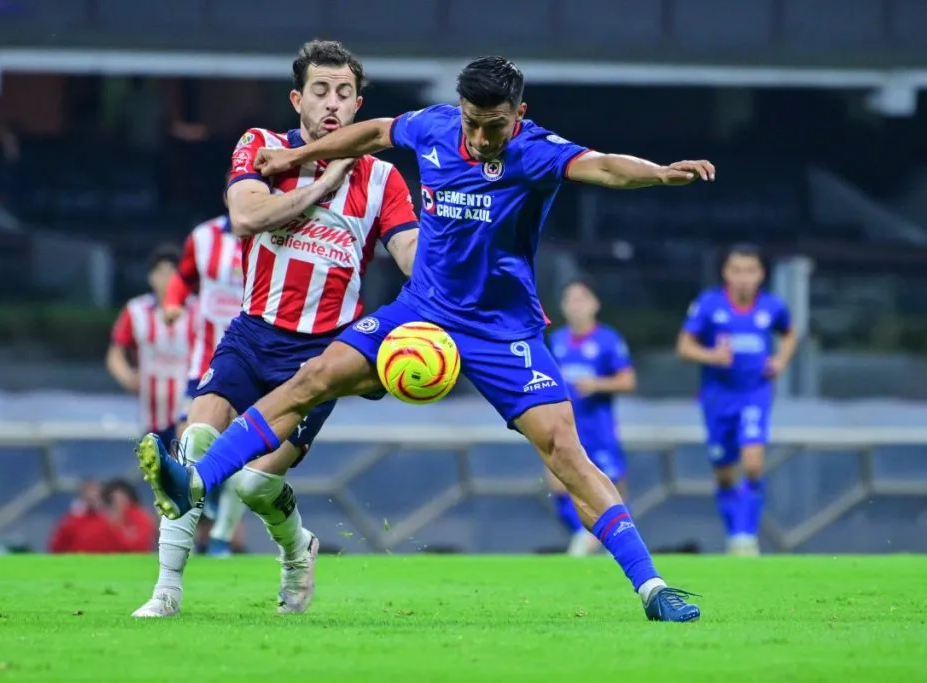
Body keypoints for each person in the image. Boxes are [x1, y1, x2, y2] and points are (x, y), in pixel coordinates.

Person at [139, 55, 714, 622]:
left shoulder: (536, 151)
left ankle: (652, 587)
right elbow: (375, 132)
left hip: (502, 329)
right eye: (473, 122)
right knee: (312, 378)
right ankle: (196, 481)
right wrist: (297, 155)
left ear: (519, 115)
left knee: (565, 450)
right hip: (422, 312)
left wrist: (660, 173)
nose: (482, 137)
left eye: (495, 125)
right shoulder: (436, 125)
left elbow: (607, 167)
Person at [130, 39, 419, 619]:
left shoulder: (383, 179)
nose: (332, 103)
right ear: (298, 99)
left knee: (253, 488)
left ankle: (297, 552)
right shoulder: (261, 147)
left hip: (321, 356)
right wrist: (320, 184)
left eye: (343, 93)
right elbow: (246, 216)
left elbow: (412, 256)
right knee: (192, 447)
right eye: (320, 91)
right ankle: (166, 591)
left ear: (359, 104)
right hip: (252, 331)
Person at [676, 244, 796, 556]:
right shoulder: (708, 304)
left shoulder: (772, 306)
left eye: (750, 271)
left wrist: (781, 361)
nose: (743, 278)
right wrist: (712, 355)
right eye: (737, 270)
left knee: (753, 464)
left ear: (760, 274)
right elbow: (685, 347)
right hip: (717, 397)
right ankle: (735, 535)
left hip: (754, 393)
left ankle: (746, 537)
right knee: (724, 473)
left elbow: (789, 333)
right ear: (726, 273)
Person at [162, 213, 248, 559]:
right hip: (205, 361)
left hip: (250, 359)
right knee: (187, 438)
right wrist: (172, 302)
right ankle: (187, 531)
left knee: (245, 454)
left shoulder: (278, 230)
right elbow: (183, 278)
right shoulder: (203, 236)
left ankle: (221, 539)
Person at [546, 276, 635, 556]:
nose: (576, 305)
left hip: (600, 429)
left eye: (582, 298)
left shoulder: (608, 340)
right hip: (566, 428)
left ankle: (615, 542)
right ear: (562, 306)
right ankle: (584, 537)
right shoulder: (556, 342)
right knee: (559, 486)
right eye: (570, 299)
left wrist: (597, 385)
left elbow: (627, 381)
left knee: (611, 488)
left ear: (595, 304)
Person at [107, 244, 195, 449]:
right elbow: (115, 354)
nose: (165, 280)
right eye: (160, 273)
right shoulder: (136, 311)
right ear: (150, 277)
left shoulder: (196, 310)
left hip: (188, 413)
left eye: (172, 273)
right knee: (156, 472)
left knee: (184, 469)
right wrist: (128, 377)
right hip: (151, 415)